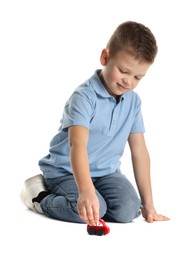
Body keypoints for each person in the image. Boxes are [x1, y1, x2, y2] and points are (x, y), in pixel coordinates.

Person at [20, 21, 169, 225]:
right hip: (66, 171)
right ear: (105, 58)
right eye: (123, 71)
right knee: (90, 209)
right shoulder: (84, 97)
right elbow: (77, 144)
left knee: (128, 210)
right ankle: (39, 197)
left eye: (137, 77)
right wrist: (86, 191)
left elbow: (140, 151)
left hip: (105, 173)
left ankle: (96, 202)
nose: (129, 82)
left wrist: (149, 204)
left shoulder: (133, 102)